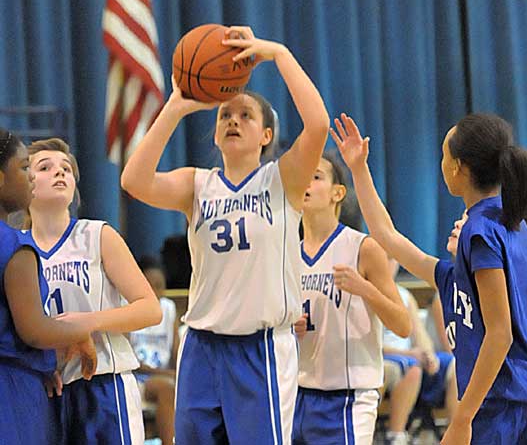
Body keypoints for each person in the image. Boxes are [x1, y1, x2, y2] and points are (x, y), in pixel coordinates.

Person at [121, 26, 330, 445]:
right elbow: (134, 179)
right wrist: (177, 107)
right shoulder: (197, 185)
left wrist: (279, 52)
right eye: (225, 116)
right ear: (215, 134)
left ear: (266, 135)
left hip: (260, 349)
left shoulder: (283, 180)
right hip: (201, 346)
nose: (233, 120)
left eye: (245, 115)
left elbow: (319, 123)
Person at [331, 113, 527, 445]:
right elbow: (388, 236)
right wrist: (358, 168)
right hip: (526, 399)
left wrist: (462, 418)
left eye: (444, 154)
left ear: (457, 167)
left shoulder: (482, 231)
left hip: (502, 404)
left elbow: (500, 334)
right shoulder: (510, 229)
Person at [26, 138, 162, 445]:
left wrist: (85, 323)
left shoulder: (97, 235)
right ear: (24, 182)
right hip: (46, 388)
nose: (59, 173)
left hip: (104, 385)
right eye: (45, 167)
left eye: (66, 168)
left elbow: (149, 309)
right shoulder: (16, 248)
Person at [291, 154, 410, 445]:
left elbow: (403, 325)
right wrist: (286, 327)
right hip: (296, 393)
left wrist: (364, 289)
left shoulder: (363, 247)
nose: (306, 181)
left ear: (337, 193)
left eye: (316, 176)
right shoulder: (286, 253)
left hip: (348, 397)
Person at [0, 129, 96, 444]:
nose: (29, 177)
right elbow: (34, 330)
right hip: (12, 391)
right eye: (24, 167)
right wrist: (78, 333)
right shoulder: (15, 246)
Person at [382, 260, 458, 445]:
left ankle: (456, 431)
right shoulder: (367, 294)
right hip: (388, 356)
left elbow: (420, 334)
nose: (388, 264)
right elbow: (370, 345)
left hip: (410, 355)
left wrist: (429, 354)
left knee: (456, 366)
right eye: (384, 258)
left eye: (392, 259)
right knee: (412, 369)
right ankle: (396, 435)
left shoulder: (405, 296)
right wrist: (411, 355)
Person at [130, 255, 179, 445]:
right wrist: (167, 374)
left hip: (165, 375)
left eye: (159, 285)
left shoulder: (168, 308)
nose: (155, 291)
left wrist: (179, 372)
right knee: (167, 388)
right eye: (150, 285)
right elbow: (132, 362)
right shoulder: (128, 307)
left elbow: (176, 351)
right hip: (138, 378)